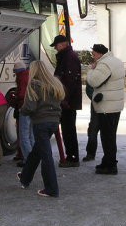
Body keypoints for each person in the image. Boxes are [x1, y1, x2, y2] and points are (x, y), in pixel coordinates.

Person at [17, 60, 64, 197]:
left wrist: (22, 110)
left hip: (41, 122)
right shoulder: (54, 84)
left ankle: (51, 189)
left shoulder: (34, 84)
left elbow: (30, 107)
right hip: (54, 122)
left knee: (46, 156)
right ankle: (25, 177)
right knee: (37, 152)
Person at [86, 44, 125, 175]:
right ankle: (108, 161)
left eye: (93, 54)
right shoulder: (116, 61)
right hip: (115, 105)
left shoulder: (104, 64)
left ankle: (110, 165)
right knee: (110, 135)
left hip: (106, 106)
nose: (93, 57)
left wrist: (91, 70)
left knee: (107, 137)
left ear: (98, 53)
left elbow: (94, 81)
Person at [51, 34, 82, 167]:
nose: (55, 49)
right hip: (67, 101)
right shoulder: (67, 56)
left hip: (67, 102)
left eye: (56, 46)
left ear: (63, 44)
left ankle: (72, 158)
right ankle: (71, 156)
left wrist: (64, 99)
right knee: (67, 129)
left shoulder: (68, 57)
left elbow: (69, 81)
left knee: (68, 130)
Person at [14, 61, 34, 166]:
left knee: (24, 135)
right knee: (31, 134)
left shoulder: (22, 77)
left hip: (24, 107)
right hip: (33, 108)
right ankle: (34, 158)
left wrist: (16, 96)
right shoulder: (30, 74)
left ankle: (28, 160)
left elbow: (22, 94)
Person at [83, 83, 99, 162]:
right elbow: (89, 88)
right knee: (93, 130)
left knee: (107, 133)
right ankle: (90, 153)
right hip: (96, 105)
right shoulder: (93, 72)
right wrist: (95, 98)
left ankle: (109, 158)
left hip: (108, 106)